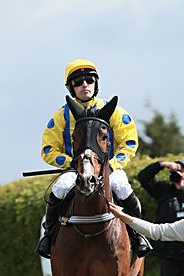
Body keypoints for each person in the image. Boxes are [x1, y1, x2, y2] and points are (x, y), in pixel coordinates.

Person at [36, 58, 151, 259]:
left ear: (95, 84)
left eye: (89, 80)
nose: (84, 86)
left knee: (122, 188)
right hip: (76, 170)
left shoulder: (114, 111)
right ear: (71, 88)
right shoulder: (60, 117)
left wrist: (112, 165)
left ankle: (138, 235)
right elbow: (48, 149)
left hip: (109, 169)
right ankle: (48, 236)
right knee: (60, 188)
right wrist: (71, 162)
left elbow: (129, 143)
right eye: (78, 82)